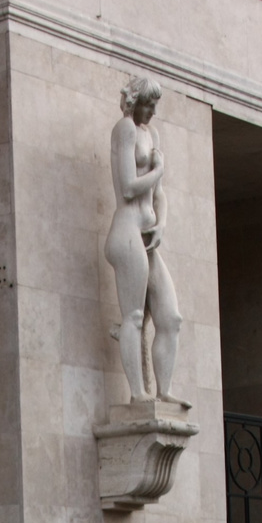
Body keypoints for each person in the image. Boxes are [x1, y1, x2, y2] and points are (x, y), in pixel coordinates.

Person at [105, 76, 188, 408]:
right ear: (134, 102)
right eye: (147, 104)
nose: (152, 111)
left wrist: (162, 224)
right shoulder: (123, 129)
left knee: (171, 318)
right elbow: (127, 187)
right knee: (135, 317)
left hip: (148, 236)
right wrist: (159, 170)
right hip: (126, 233)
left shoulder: (151, 135)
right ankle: (138, 394)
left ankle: (163, 391)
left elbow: (160, 195)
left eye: (155, 106)